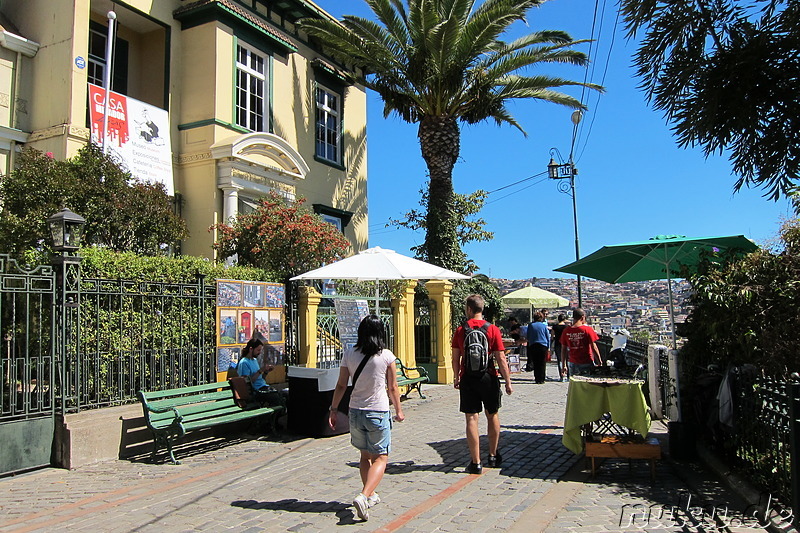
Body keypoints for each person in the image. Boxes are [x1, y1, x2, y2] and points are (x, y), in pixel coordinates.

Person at [329, 315, 405, 522]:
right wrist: (398, 410)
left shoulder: (349, 354)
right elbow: (393, 387)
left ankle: (370, 494)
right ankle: (364, 496)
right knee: (381, 457)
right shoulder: (387, 356)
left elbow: (342, 385)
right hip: (377, 412)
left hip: (355, 411)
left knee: (365, 457)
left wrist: (334, 409)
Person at [452, 294, 513, 475]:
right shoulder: (493, 329)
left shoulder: (460, 330)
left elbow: (456, 358)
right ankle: (493, 456)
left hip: (468, 377)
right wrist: (508, 381)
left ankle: (475, 462)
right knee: (492, 414)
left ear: (469, 309)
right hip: (489, 376)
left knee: (471, 418)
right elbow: (501, 358)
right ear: (482, 309)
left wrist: (456, 377)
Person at [236, 336, 283, 408]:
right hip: (256, 391)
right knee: (276, 398)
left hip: (263, 387)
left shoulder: (254, 360)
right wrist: (260, 370)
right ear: (251, 349)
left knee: (283, 395)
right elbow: (247, 383)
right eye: (258, 350)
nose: (259, 353)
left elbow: (260, 379)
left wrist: (266, 372)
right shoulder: (244, 363)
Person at [560, 308, 601, 376]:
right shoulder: (588, 330)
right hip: (586, 361)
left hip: (573, 362)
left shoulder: (566, 331)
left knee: (575, 384)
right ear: (582, 317)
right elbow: (594, 347)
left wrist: (564, 365)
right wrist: (599, 362)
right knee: (587, 384)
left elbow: (563, 349)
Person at [526, 311, 550, 383]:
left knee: (535, 362)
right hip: (543, 345)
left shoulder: (531, 325)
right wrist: (548, 347)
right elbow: (547, 336)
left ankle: (537, 378)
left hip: (533, 345)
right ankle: (542, 378)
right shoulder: (543, 326)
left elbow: (528, 335)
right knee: (542, 362)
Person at [551, 314, 569, 381]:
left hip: (557, 344)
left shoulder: (555, 327)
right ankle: (568, 376)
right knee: (567, 360)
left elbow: (552, 336)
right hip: (565, 344)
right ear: (564, 320)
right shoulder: (566, 327)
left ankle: (561, 376)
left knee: (559, 360)